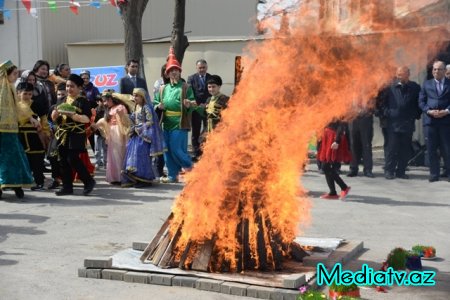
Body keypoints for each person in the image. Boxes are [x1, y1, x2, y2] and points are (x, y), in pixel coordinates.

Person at [154, 47, 198, 183]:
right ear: (167, 73)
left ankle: (193, 169)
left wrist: (188, 104)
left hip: (179, 123)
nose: (174, 73)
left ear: (179, 72)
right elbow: (155, 101)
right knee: (167, 150)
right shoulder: (162, 88)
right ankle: (173, 175)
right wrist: (157, 106)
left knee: (177, 149)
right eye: (171, 71)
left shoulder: (185, 87)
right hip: (165, 123)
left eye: (176, 70)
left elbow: (194, 102)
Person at [51, 74, 96, 196]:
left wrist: (72, 115)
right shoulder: (62, 100)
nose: (69, 89)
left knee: (73, 159)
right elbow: (55, 117)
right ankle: (67, 187)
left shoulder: (82, 101)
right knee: (62, 160)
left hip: (75, 134)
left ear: (79, 88)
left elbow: (87, 119)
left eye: (72, 86)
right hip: (62, 133)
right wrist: (54, 115)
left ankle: (88, 181)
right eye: (67, 86)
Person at [377, 67, 421, 179]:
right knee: (391, 148)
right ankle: (389, 171)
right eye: (398, 74)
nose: (399, 76)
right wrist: (388, 113)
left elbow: (419, 103)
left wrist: (415, 114)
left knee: (404, 148)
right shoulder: (389, 87)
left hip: (407, 123)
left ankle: (401, 171)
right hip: (392, 124)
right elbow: (381, 103)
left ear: (408, 74)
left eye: (402, 74)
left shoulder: (415, 87)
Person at [0, 60, 34, 199]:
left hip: (11, 130)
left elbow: (18, 107)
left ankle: (17, 185)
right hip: (1, 131)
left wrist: (30, 117)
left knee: (15, 158)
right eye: (14, 74)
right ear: (5, 74)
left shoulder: (11, 88)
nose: (16, 76)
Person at [122, 88, 164, 187]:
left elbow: (150, 121)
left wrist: (140, 127)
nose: (134, 97)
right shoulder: (136, 107)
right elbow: (134, 118)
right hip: (136, 136)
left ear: (142, 97)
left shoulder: (146, 107)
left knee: (142, 157)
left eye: (137, 95)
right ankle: (135, 178)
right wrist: (127, 118)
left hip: (144, 136)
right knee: (133, 156)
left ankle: (144, 180)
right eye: (133, 95)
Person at [418, 60, 450, 182]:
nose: (436, 71)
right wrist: (429, 111)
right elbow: (421, 101)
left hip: (446, 121)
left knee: (447, 148)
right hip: (430, 122)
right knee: (431, 149)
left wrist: (446, 111)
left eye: (439, 69)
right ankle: (434, 174)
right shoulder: (426, 84)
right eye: (435, 69)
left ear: (444, 71)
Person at [94, 90, 131, 184]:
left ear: (111, 99)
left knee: (119, 154)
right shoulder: (109, 109)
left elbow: (126, 120)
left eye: (106, 101)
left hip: (119, 132)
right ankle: (114, 177)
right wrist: (96, 125)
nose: (105, 103)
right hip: (111, 132)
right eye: (104, 101)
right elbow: (105, 121)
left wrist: (121, 115)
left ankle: (121, 177)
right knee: (112, 155)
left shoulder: (120, 107)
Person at [16, 82, 46, 191]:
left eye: (30, 94)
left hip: (34, 136)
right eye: (25, 94)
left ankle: (39, 182)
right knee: (22, 160)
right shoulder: (15, 106)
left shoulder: (37, 104)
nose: (28, 96)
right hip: (20, 135)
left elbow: (43, 120)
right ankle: (19, 182)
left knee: (37, 160)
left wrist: (45, 133)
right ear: (18, 93)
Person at [318, 119, 352, 200]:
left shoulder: (338, 108)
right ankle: (333, 192)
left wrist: (337, 141)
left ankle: (344, 188)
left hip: (333, 138)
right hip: (326, 136)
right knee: (325, 167)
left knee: (326, 167)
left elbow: (341, 125)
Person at [187, 59, 211, 159]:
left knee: (207, 130)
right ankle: (196, 153)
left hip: (207, 109)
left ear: (206, 67)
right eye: (200, 68)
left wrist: (206, 104)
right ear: (196, 68)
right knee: (195, 131)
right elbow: (189, 93)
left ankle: (206, 152)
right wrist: (196, 105)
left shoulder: (211, 77)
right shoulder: (191, 78)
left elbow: (213, 92)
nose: (202, 69)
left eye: (203, 67)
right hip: (195, 109)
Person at [347, 103, 375, 178]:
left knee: (366, 145)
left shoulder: (368, 91)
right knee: (353, 145)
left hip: (366, 118)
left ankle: (368, 169)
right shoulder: (350, 92)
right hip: (353, 118)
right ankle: (353, 168)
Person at [153, 64, 170, 178]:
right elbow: (154, 100)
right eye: (166, 71)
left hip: (175, 117)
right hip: (161, 115)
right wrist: (158, 106)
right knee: (161, 145)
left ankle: (173, 169)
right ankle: (159, 169)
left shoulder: (179, 84)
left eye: (170, 71)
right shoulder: (158, 83)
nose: (168, 73)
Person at [80, 70, 100, 152]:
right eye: (83, 78)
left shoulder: (94, 89)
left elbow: (98, 101)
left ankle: (96, 153)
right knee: (81, 136)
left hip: (91, 115)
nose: (85, 80)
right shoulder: (78, 88)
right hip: (80, 115)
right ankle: (82, 155)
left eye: (87, 78)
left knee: (91, 135)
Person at [93, 96, 107, 169]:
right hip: (97, 132)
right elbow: (93, 121)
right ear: (97, 102)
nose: (102, 103)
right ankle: (97, 162)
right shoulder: (95, 110)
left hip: (106, 132)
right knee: (97, 149)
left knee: (105, 148)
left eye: (104, 101)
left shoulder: (107, 110)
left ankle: (105, 163)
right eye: (101, 101)